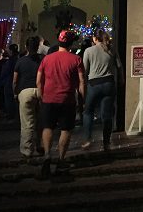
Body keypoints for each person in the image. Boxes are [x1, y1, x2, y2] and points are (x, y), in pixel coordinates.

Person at [37, 30, 85, 178]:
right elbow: (82, 82)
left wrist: (42, 96)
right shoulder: (76, 59)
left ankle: (47, 155)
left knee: (48, 127)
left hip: (49, 99)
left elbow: (39, 80)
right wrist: (82, 100)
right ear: (70, 44)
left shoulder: (47, 59)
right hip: (67, 100)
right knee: (65, 129)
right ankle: (61, 159)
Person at [81, 29, 123, 152]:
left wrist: (82, 85)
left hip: (94, 84)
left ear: (95, 39)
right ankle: (106, 142)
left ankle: (88, 139)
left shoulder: (89, 51)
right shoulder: (111, 49)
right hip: (109, 83)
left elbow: (85, 70)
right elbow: (119, 67)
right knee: (107, 115)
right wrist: (121, 79)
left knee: (88, 112)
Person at [14, 36, 43, 158]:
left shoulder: (20, 61)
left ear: (26, 47)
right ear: (38, 47)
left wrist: (15, 93)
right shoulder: (43, 59)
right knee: (40, 121)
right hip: (41, 91)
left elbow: (15, 80)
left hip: (25, 91)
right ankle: (40, 145)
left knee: (27, 122)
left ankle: (27, 149)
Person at [0, 43, 20, 119]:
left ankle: (11, 115)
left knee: (9, 99)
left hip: (9, 82)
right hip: (17, 82)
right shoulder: (18, 59)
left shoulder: (10, 61)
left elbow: (5, 72)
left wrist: (0, 81)